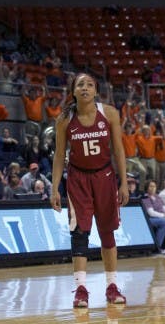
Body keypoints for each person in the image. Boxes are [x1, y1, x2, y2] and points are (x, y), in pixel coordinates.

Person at [49, 73, 130, 309]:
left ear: (96, 91)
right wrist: (54, 188)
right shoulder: (65, 119)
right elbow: (58, 155)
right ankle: (81, 288)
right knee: (79, 232)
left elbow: (118, 150)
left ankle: (112, 286)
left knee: (107, 231)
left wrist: (123, 182)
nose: (85, 88)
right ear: (73, 91)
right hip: (77, 179)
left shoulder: (109, 113)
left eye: (90, 85)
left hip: (105, 176)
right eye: (80, 84)